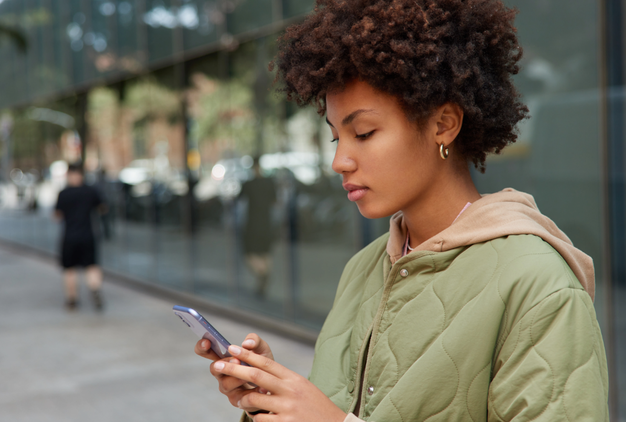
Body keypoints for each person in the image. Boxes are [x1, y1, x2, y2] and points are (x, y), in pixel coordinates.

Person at [194, 1, 609, 421]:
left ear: (444, 123)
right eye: (337, 138)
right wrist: (273, 400)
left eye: (364, 132)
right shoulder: (362, 269)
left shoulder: (538, 284)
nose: (340, 161)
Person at [54, 162, 106, 311]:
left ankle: (72, 300)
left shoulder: (63, 193)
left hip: (69, 236)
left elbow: (57, 215)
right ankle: (95, 289)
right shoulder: (90, 191)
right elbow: (102, 208)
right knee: (91, 266)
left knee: (70, 269)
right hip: (88, 235)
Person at [238, 157, 276, 297]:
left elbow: (238, 199)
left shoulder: (249, 184)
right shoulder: (269, 183)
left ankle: (262, 274)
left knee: (250, 253)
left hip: (253, 223)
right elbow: (275, 202)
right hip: (266, 222)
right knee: (265, 253)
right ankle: (264, 275)